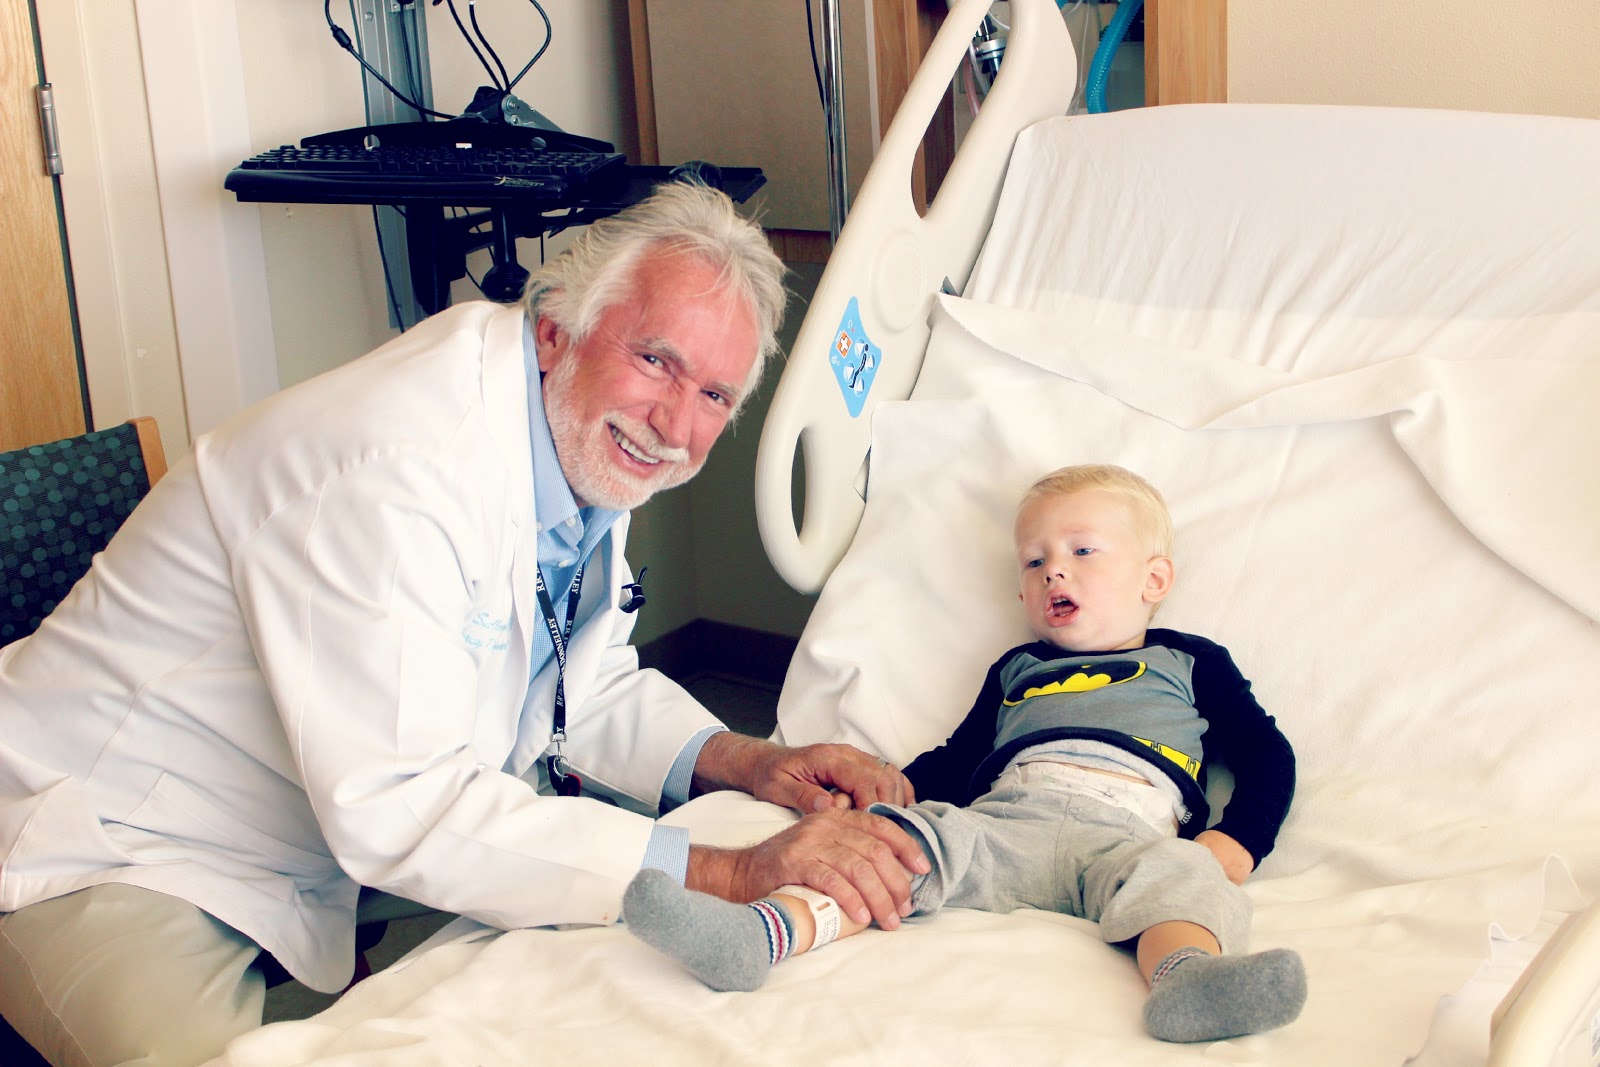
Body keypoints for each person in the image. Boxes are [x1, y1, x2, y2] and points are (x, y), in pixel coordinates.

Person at [0, 182, 926, 1067]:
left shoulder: (575, 438)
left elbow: (575, 683)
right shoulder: (397, 469)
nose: (676, 425)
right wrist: (729, 871)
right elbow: (403, 804)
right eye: (657, 360)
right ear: (558, 329)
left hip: (316, 818)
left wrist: (755, 762)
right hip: (117, 835)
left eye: (715, 396)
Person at [624, 463, 1308, 1044]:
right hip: (1004, 824)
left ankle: (1186, 979)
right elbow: (958, 759)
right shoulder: (1016, 669)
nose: (1053, 569)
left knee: (1184, 874)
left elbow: (1266, 752)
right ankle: (761, 933)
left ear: (1154, 579)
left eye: (1082, 551)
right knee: (885, 849)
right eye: (1034, 561)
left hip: (1130, 836)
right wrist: (883, 791)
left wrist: (1239, 839)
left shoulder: (1189, 662)